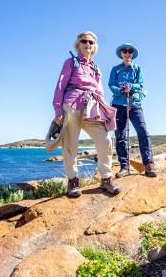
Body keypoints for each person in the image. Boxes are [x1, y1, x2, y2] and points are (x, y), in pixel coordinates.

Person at [52, 31, 122, 198]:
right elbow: (60, 85)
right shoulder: (70, 63)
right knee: (70, 146)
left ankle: (106, 179)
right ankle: (73, 182)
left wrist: (103, 109)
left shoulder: (96, 68)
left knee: (105, 141)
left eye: (91, 42)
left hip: (92, 108)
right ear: (78, 44)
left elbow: (100, 91)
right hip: (71, 105)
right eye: (84, 41)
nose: (87, 44)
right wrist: (58, 110)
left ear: (94, 46)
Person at [109, 43, 156, 178]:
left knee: (143, 131)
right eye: (125, 51)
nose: (127, 53)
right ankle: (124, 166)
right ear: (121, 54)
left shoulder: (138, 68)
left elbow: (140, 84)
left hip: (135, 103)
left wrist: (130, 86)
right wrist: (121, 90)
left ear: (132, 54)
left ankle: (148, 164)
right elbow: (111, 85)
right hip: (119, 104)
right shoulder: (115, 69)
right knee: (120, 135)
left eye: (130, 51)